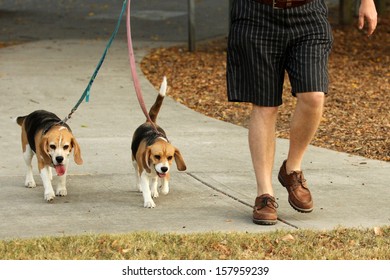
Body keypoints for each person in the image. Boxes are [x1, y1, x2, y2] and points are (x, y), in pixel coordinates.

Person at [226, 0, 377, 225]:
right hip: (256, 14)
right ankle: (264, 194)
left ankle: (292, 169)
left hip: (308, 13)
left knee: (314, 95)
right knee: (264, 105)